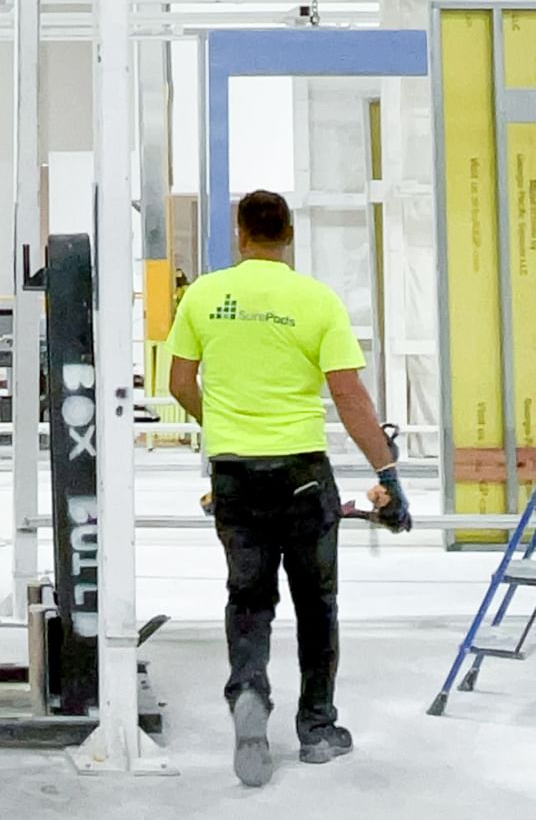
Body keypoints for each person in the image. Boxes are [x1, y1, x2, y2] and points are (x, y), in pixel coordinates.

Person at [162, 190, 413, 789]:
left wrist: (220, 425)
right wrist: (387, 473)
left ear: (241, 234)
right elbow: (350, 398)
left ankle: (249, 692)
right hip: (301, 472)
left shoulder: (203, 295)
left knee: (248, 596)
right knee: (316, 604)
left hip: (234, 471)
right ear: (289, 235)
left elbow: (178, 383)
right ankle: (317, 729)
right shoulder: (316, 301)